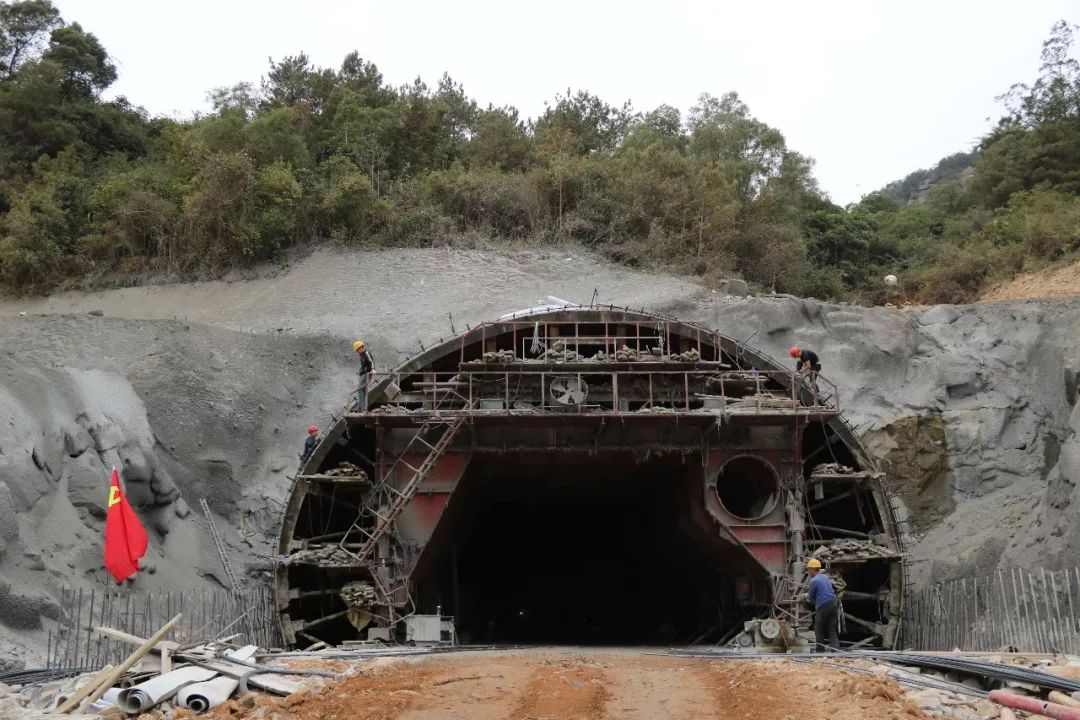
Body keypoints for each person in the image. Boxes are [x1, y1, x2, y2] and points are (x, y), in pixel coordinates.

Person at [806, 557, 839, 652]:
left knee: (819, 630)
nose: (808, 572)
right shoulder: (825, 577)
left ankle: (820, 651)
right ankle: (836, 650)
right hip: (833, 604)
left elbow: (810, 598)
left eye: (808, 570)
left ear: (812, 569)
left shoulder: (814, 581)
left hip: (823, 606)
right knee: (832, 630)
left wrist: (808, 598)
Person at [354, 340, 374, 411]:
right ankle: (363, 407)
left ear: (361, 347)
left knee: (360, 388)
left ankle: (360, 407)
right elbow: (363, 366)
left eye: (357, 350)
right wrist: (360, 371)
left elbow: (371, 363)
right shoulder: (362, 356)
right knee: (364, 390)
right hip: (364, 373)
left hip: (367, 373)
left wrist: (370, 370)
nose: (357, 352)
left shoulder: (366, 354)